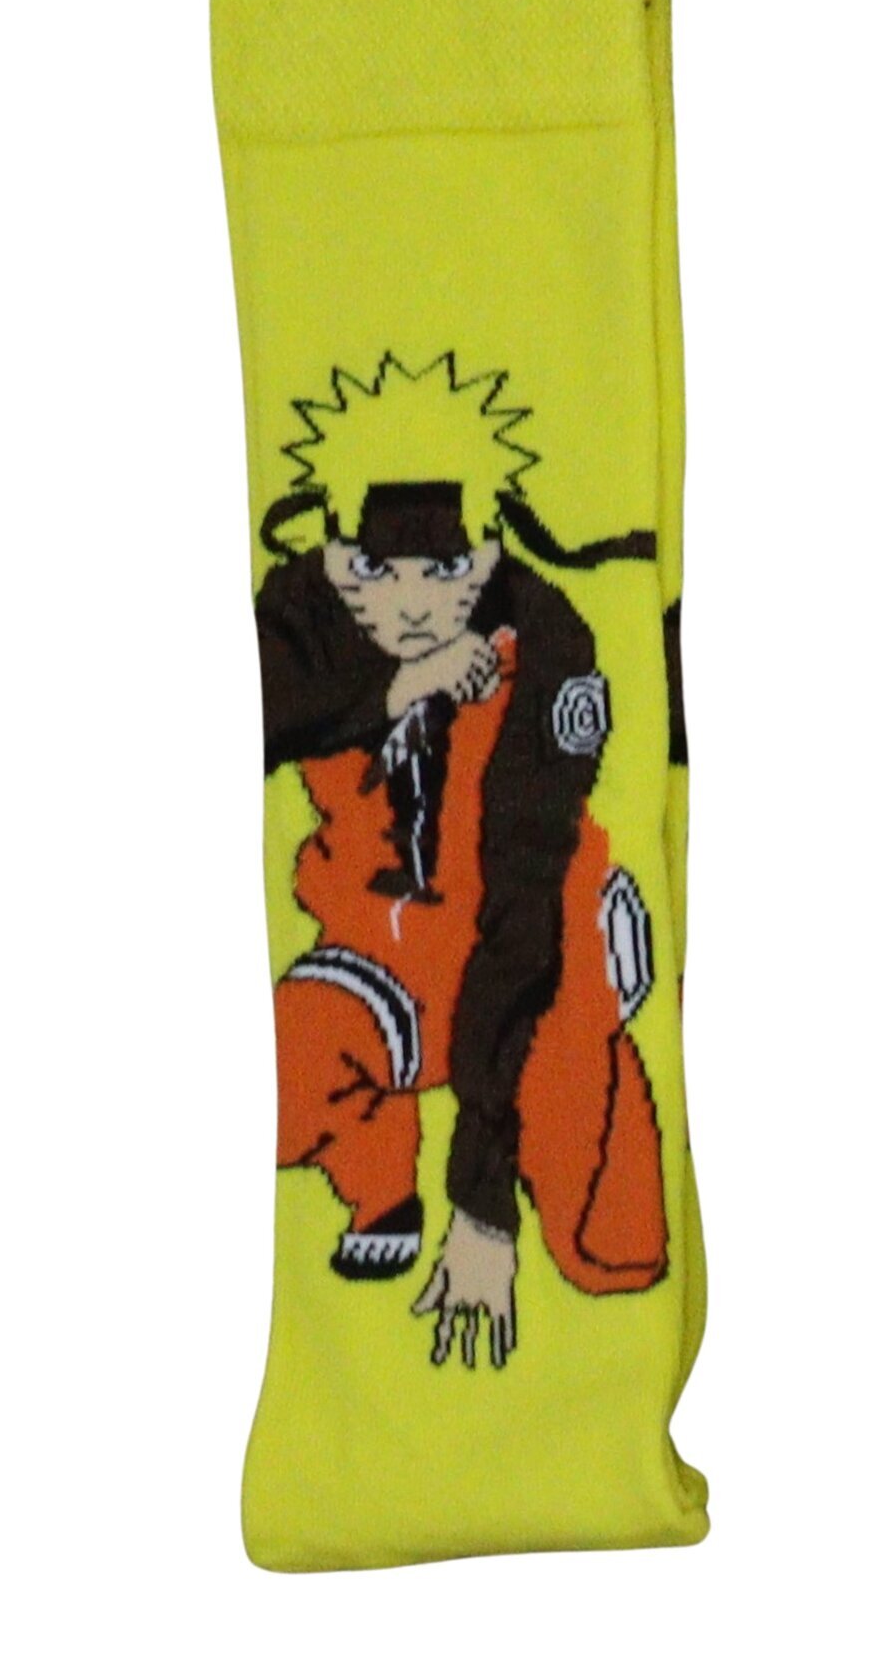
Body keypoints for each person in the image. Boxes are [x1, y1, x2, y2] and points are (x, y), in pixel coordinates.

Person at [256, 351, 668, 1370]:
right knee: (284, 1082)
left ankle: (594, 1011)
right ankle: (380, 1171)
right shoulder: (301, 615)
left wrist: (482, 1205)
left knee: (610, 1247)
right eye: (371, 571)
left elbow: (523, 902)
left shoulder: (548, 647)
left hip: (533, 938)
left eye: (445, 572)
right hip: (378, 952)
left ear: (491, 543)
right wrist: (398, 691)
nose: (408, 605)